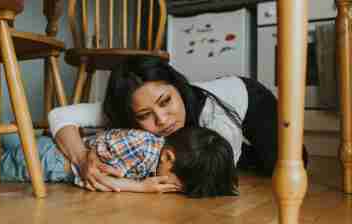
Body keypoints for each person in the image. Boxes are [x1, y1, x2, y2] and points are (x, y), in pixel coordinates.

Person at [48, 56, 308, 192]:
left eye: (166, 101)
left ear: (177, 88)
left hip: (247, 97)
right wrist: (83, 160)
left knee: (286, 162)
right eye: (144, 115)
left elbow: (215, 173)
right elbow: (60, 115)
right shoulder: (129, 105)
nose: (162, 120)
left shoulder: (214, 118)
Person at [71, 127, 238, 197]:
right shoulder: (139, 146)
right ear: (168, 157)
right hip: (54, 159)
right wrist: (141, 187)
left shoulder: (159, 159)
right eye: (176, 188)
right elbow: (94, 179)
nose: (173, 191)